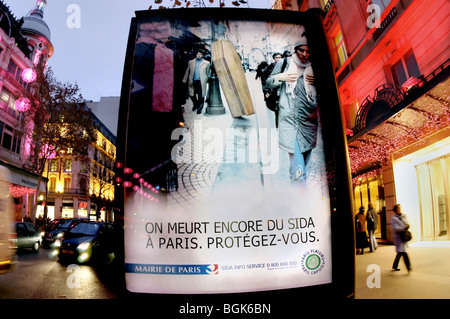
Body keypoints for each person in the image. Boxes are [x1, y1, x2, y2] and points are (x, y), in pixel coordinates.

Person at [266, 36, 318, 184]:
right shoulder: (285, 63)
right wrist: (282, 77)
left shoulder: (315, 67)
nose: (305, 54)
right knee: (299, 170)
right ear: (295, 50)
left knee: (302, 166)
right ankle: (300, 200)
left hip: (308, 123)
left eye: (308, 51)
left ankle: (295, 180)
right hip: (289, 123)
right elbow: (268, 82)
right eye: (301, 50)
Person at [183, 49, 211, 114]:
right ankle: (195, 104)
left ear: (203, 55)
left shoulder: (207, 63)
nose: (199, 55)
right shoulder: (191, 62)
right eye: (198, 54)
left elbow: (207, 73)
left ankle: (199, 109)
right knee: (192, 95)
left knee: (201, 96)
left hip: (201, 82)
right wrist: (184, 79)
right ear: (196, 54)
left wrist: (206, 80)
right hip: (193, 81)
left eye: (200, 54)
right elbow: (187, 71)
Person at [391, 204, 412, 272]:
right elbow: (395, 228)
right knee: (403, 252)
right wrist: (403, 228)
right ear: (395, 210)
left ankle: (395, 265)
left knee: (400, 252)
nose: (399, 210)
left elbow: (407, 223)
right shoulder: (394, 218)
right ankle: (408, 267)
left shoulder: (403, 216)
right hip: (398, 237)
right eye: (397, 209)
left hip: (403, 236)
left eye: (399, 208)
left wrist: (407, 225)